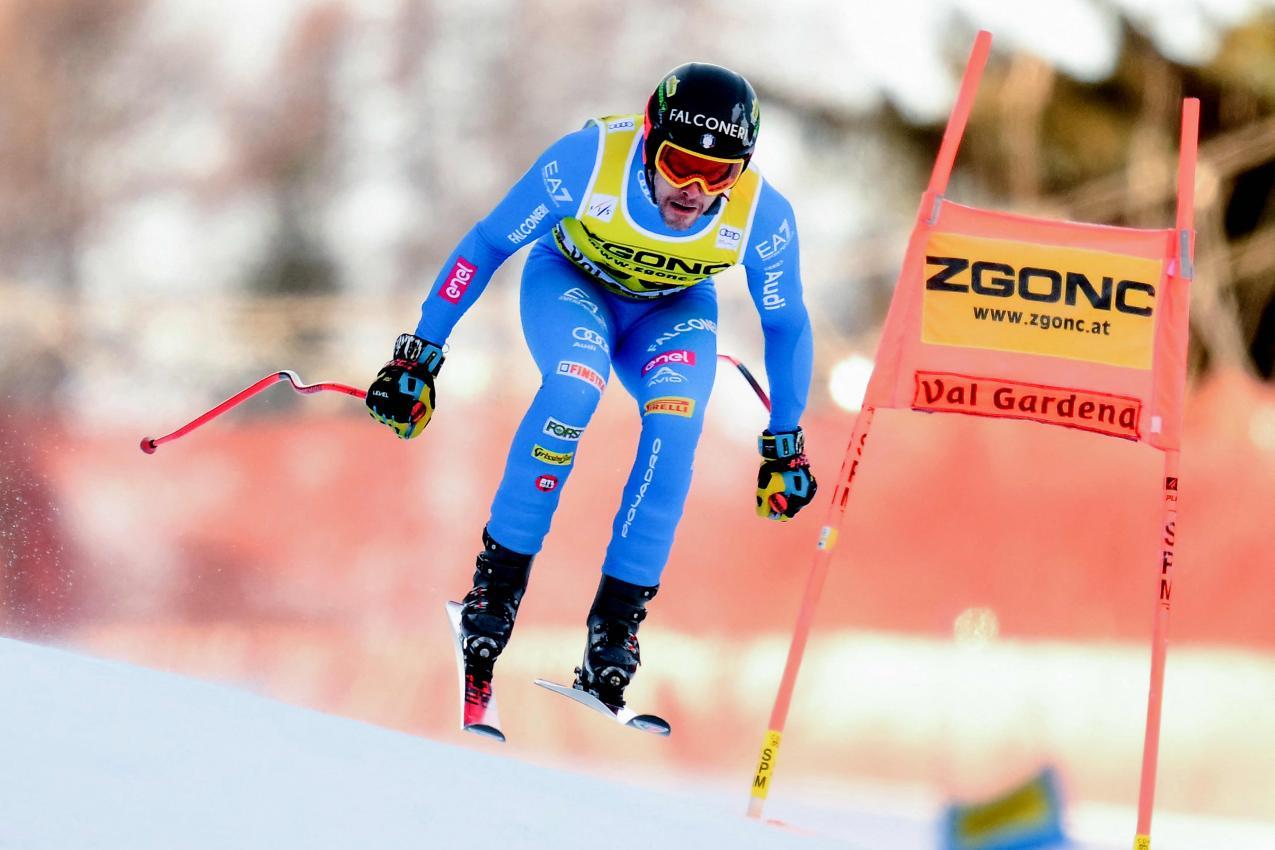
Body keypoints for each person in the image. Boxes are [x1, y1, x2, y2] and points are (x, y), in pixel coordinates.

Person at [366, 62, 817, 709]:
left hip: (671, 313)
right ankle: (492, 596)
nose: (693, 189)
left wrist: (785, 443)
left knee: (677, 426)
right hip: (569, 287)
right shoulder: (588, 161)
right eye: (678, 163)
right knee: (575, 389)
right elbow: (487, 243)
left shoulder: (761, 216)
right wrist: (420, 353)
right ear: (646, 140)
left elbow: (785, 322)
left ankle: (614, 633)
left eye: (718, 173)